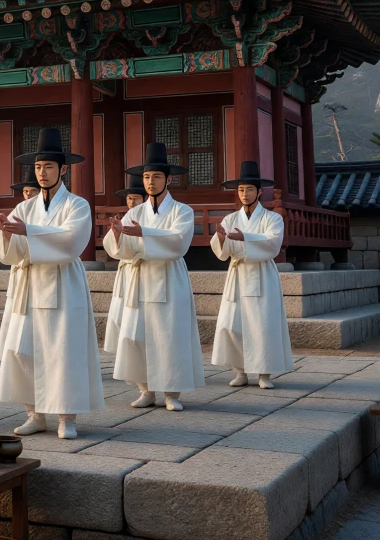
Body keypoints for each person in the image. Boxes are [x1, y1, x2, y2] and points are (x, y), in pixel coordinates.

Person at [0, 128, 104, 439]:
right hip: (28, 285)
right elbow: (10, 250)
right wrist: (5, 233)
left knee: (63, 350)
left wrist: (28, 232)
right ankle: (35, 414)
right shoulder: (25, 207)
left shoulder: (77, 205)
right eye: (38, 167)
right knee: (24, 349)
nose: (42, 173)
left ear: (63, 169)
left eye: (49, 167)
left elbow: (71, 240)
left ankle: (67, 416)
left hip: (62, 282)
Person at [107, 143, 204, 411]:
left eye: (157, 177)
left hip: (169, 278)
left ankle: (172, 392)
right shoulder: (135, 212)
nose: (150, 182)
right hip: (140, 278)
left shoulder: (182, 211)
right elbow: (120, 249)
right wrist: (117, 234)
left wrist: (144, 234)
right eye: (147, 177)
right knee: (138, 335)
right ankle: (146, 389)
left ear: (169, 179)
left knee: (169, 335)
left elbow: (178, 241)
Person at [211, 161, 294, 389]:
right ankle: (240, 371)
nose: (244, 194)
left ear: (259, 192)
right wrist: (221, 238)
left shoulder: (272, 218)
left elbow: (272, 244)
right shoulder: (230, 219)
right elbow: (222, 251)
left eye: (249, 189)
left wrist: (245, 237)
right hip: (237, 274)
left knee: (262, 324)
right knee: (233, 324)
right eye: (241, 189)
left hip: (262, 274)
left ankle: (264, 373)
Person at [0, 166, 41, 362]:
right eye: (25, 191)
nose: (28, 195)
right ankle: (15, 357)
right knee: (16, 318)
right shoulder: (20, 209)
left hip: (40, 271)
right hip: (21, 271)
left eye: (33, 191)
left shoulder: (50, 210)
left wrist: (28, 231)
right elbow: (4, 236)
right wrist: (5, 232)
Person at [102, 178, 147, 355]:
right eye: (129, 198)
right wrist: (116, 234)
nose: (132, 202)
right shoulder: (126, 218)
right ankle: (123, 349)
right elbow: (111, 244)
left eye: (136, 198)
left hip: (142, 269)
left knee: (138, 314)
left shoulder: (148, 216)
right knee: (120, 313)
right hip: (126, 269)